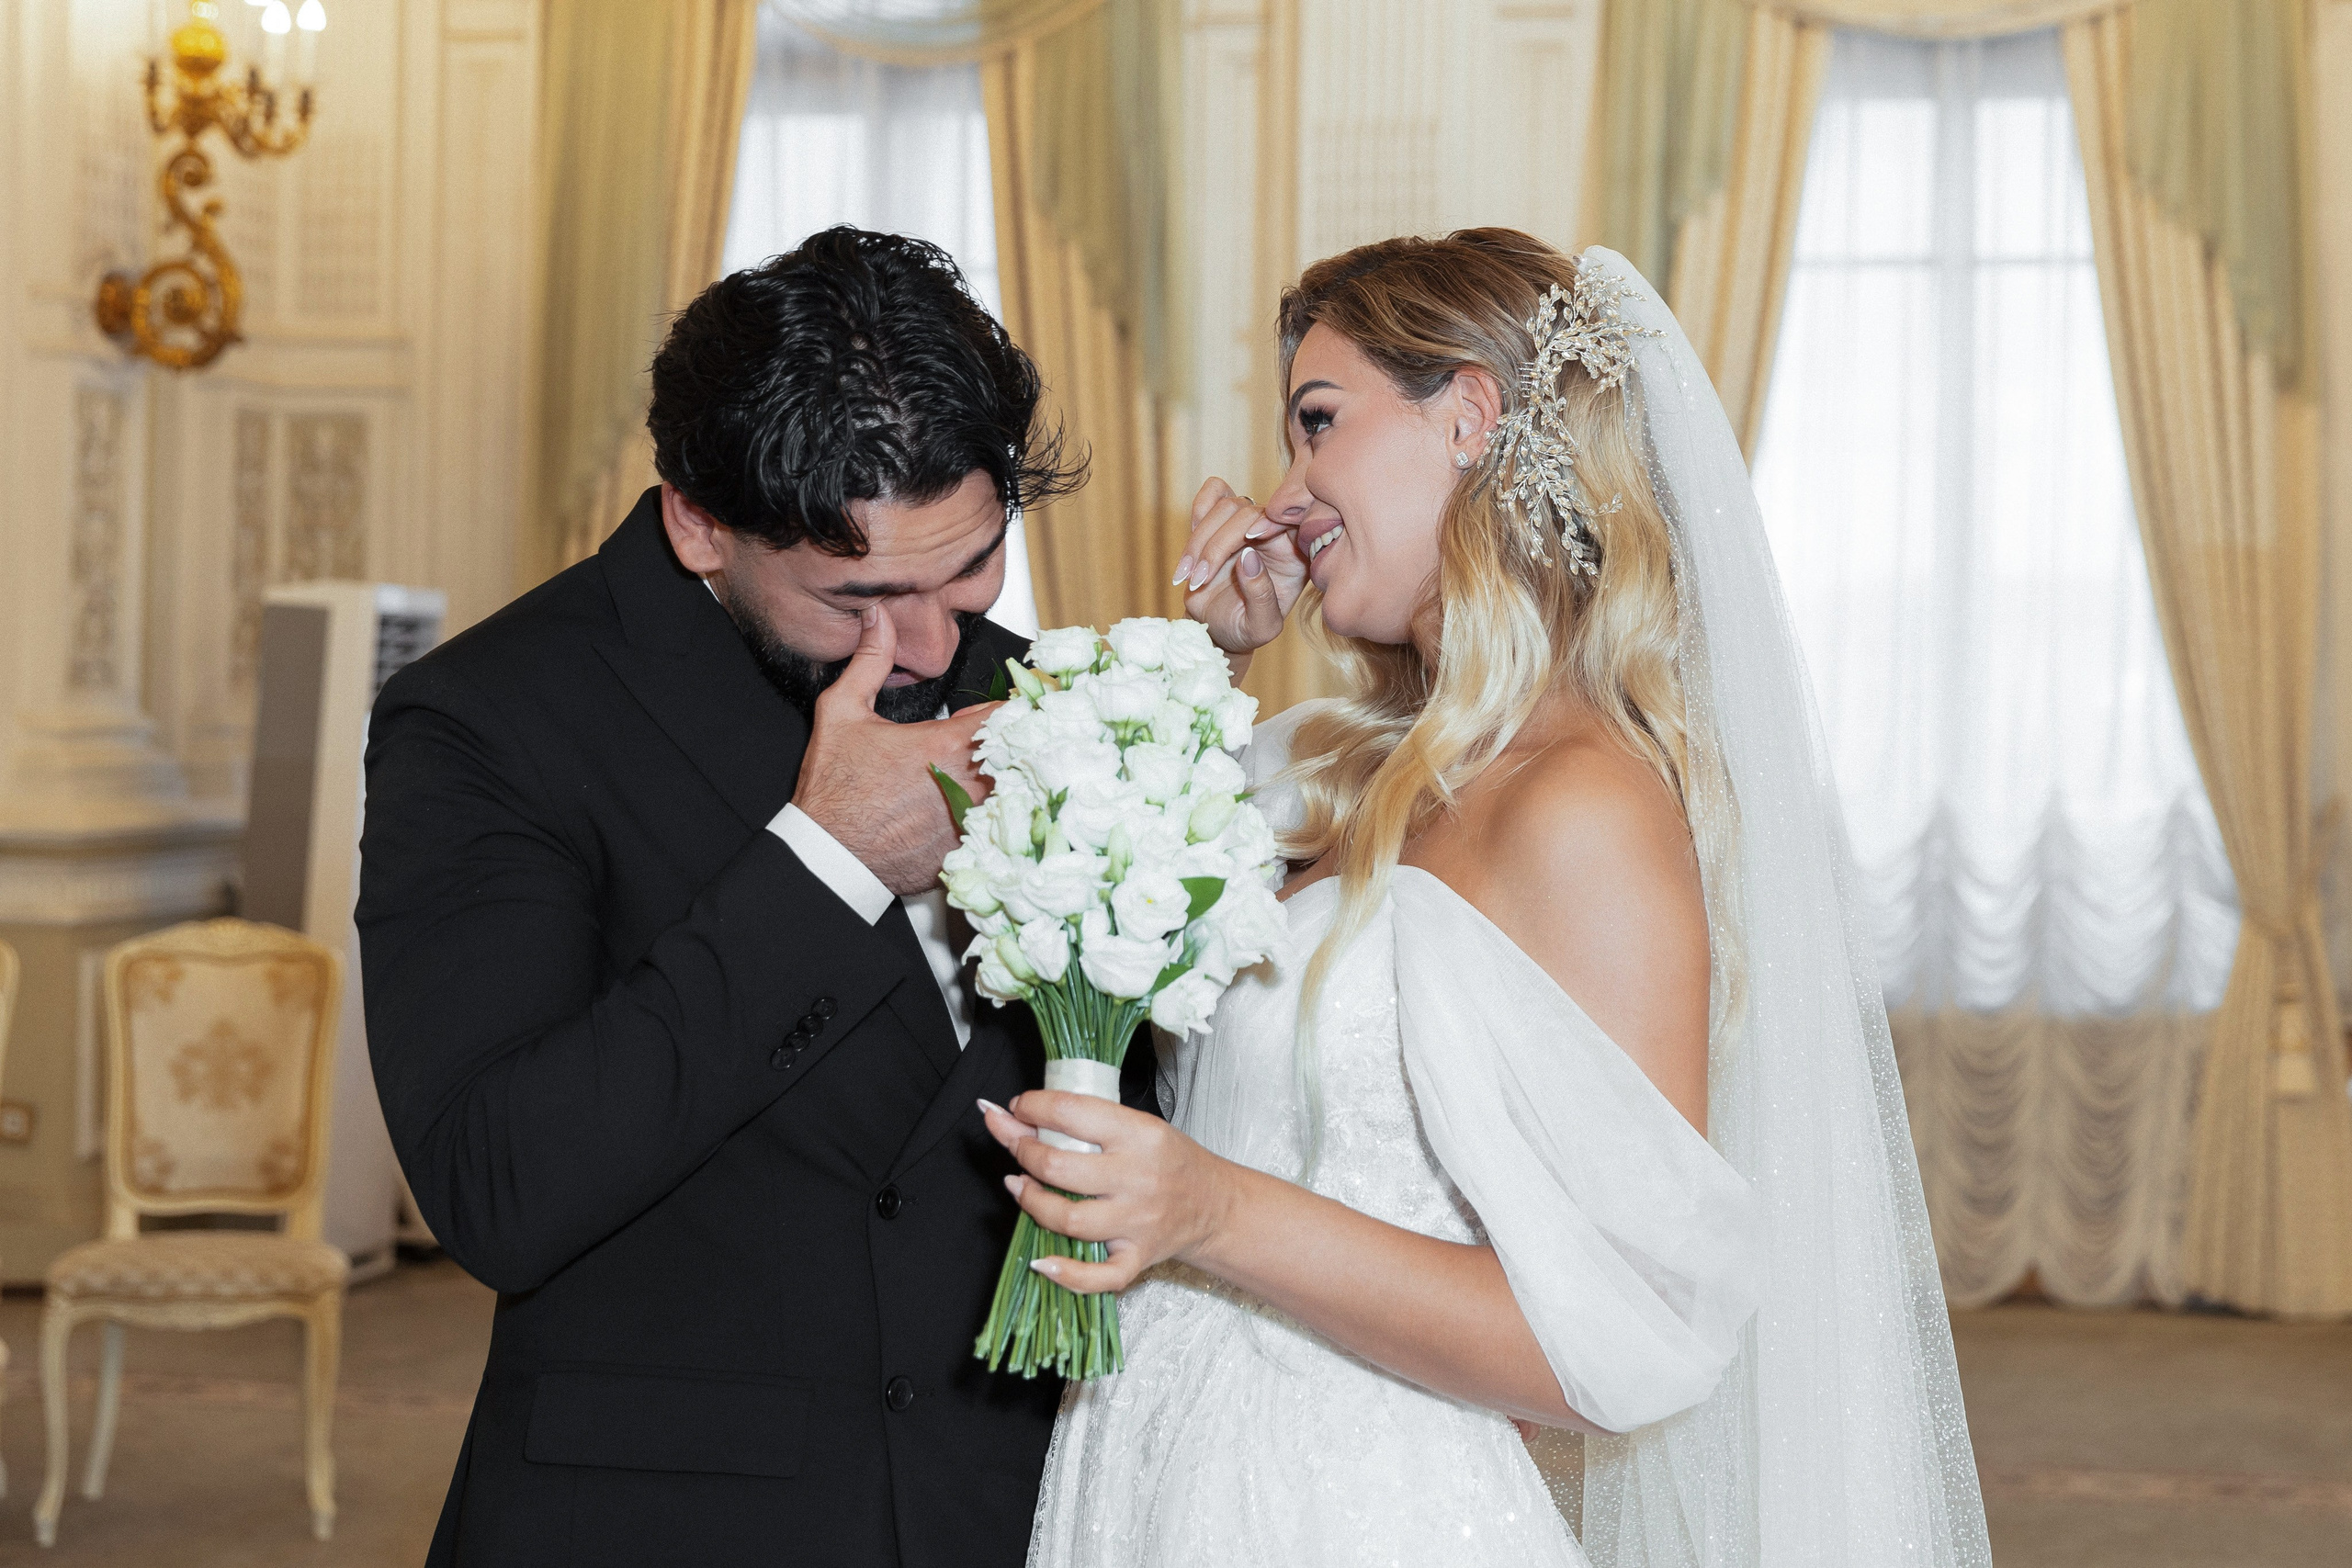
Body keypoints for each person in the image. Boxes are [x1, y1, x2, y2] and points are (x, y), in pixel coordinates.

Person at [995, 231, 1995, 1566]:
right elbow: (1082, 898)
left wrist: (1213, 1211)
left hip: (1355, 1509)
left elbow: (1624, 1336)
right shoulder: (1327, 762)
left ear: (1467, 415)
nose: (1288, 492)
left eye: (1319, 425)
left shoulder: (1585, 808)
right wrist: (1212, 657)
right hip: (1160, 1460)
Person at [358, 227, 1152, 1568]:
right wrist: (825, 861)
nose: (933, 647)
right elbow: (500, 1188)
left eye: (968, 568)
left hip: (1021, 1505)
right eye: (859, 598)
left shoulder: (1053, 698)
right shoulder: (489, 717)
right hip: (661, 1519)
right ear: (698, 525)